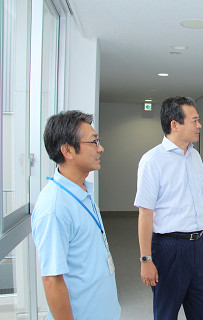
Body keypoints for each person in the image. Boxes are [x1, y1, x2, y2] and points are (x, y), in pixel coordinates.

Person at [31, 110, 121, 320]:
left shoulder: (82, 190)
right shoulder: (54, 208)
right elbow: (52, 280)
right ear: (68, 150)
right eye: (94, 142)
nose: (101, 148)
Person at [135, 96, 203, 320]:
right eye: (195, 120)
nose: (199, 125)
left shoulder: (195, 156)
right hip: (169, 248)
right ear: (175, 125)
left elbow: (201, 199)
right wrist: (145, 259)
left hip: (197, 246)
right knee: (166, 314)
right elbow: (145, 213)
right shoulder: (152, 161)